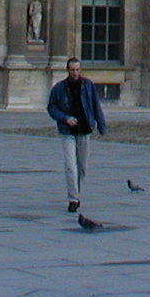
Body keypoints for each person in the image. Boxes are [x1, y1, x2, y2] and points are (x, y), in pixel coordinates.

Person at [46, 57, 107, 212]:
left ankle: (76, 192)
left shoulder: (88, 85)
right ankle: (73, 198)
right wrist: (65, 118)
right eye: (72, 70)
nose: (75, 73)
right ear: (68, 70)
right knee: (70, 165)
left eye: (77, 70)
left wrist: (102, 125)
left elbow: (96, 106)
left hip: (84, 130)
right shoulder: (59, 88)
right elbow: (51, 108)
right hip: (67, 131)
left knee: (82, 167)